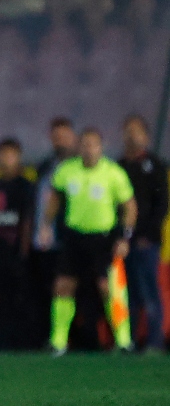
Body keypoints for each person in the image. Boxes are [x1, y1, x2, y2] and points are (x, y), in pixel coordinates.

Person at [38, 128, 138, 355]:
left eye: (94, 144)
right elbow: (55, 198)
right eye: (85, 144)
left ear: (101, 147)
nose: (89, 149)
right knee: (63, 286)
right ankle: (58, 342)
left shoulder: (113, 173)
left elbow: (129, 207)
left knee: (109, 288)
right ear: (79, 147)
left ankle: (123, 341)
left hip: (103, 238)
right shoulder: (66, 171)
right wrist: (45, 226)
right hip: (75, 237)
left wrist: (125, 236)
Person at [118, 116, 168, 353]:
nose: (132, 136)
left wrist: (148, 233)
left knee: (149, 292)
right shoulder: (117, 167)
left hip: (147, 241)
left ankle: (154, 342)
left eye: (137, 131)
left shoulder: (154, 165)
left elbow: (162, 204)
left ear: (146, 137)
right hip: (122, 242)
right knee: (128, 294)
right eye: (128, 131)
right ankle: (129, 342)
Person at [27, 117, 77, 349]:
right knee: (46, 291)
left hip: (70, 239)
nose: (60, 141)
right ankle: (52, 340)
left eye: (64, 136)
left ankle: (75, 340)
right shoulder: (45, 166)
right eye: (56, 136)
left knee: (70, 290)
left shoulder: (79, 166)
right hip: (45, 240)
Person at [0, 138, 34, 349]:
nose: (6, 159)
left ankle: (26, 345)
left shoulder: (25, 186)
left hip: (17, 253)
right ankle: (8, 345)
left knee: (22, 300)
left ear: (18, 158)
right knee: (3, 300)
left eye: (10, 155)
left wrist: (25, 253)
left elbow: (28, 222)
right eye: (3, 155)